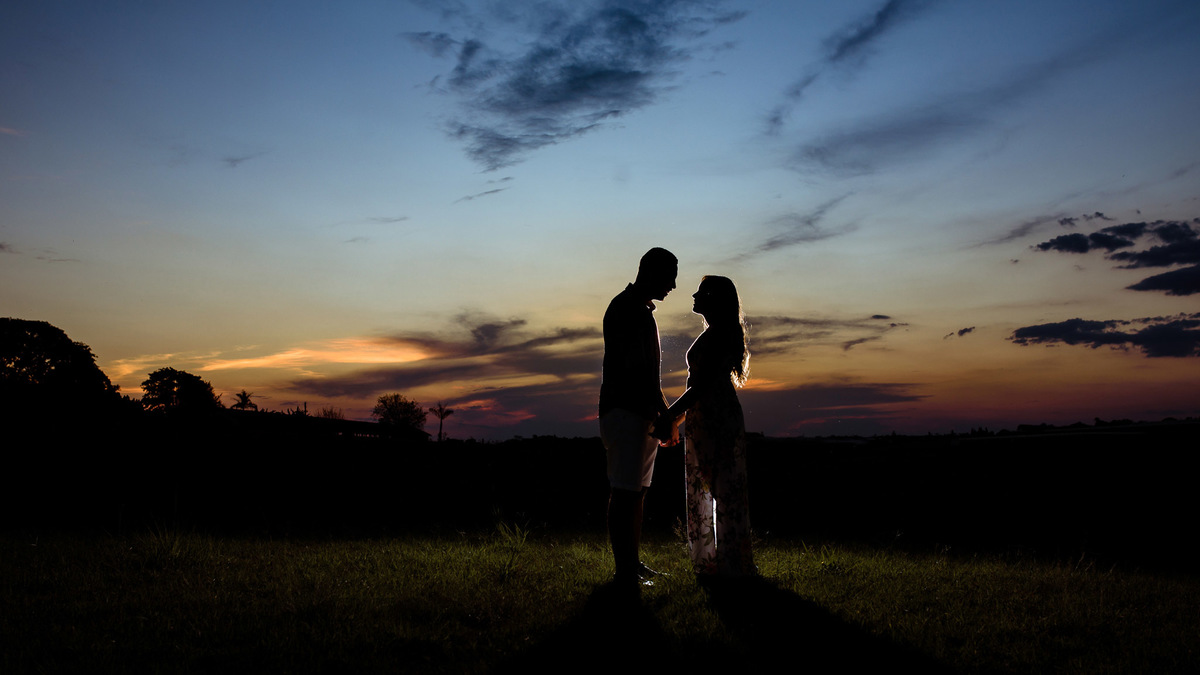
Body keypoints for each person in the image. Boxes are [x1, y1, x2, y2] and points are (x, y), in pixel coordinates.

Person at [653, 275, 754, 577]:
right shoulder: (714, 333)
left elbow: (700, 387)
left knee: (723, 489)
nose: (694, 296)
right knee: (714, 486)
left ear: (714, 299)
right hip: (706, 417)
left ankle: (732, 565)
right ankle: (719, 562)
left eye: (701, 292)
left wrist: (669, 417)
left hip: (717, 417)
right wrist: (676, 420)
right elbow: (697, 389)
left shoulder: (719, 335)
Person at [599, 247, 679, 589]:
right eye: (670, 277)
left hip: (640, 414)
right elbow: (638, 373)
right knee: (625, 492)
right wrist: (665, 415)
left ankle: (631, 563)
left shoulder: (639, 309)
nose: (673, 286)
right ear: (651, 272)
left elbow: (649, 378)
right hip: (626, 412)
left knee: (637, 492)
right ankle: (625, 572)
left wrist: (662, 414)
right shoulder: (626, 308)